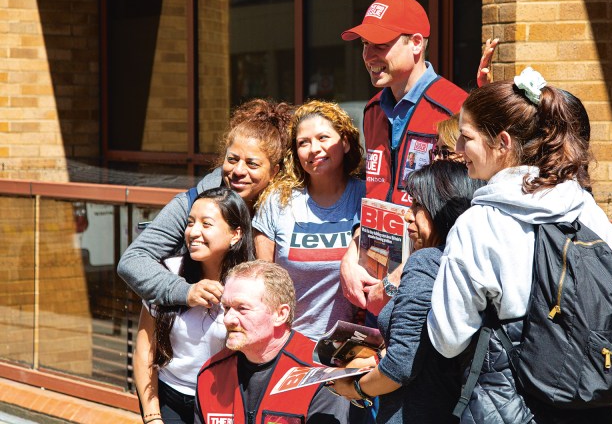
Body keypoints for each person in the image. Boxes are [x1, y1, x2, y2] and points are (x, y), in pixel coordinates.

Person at [427, 69, 612, 422]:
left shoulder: (477, 225)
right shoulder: (583, 208)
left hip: (511, 406)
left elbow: (449, 337)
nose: (457, 150)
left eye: (465, 138)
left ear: (502, 143)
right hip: (591, 407)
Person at [338, 0, 470, 312]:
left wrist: (400, 279)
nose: (368, 55)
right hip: (375, 283)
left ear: (415, 43)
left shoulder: (456, 109)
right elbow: (375, 195)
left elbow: (463, 217)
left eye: (380, 44)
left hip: (427, 289)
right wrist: (350, 255)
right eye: (364, 45)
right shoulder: (373, 112)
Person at [331, 161, 485, 423]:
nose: (407, 216)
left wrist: (354, 389)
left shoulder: (426, 261)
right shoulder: (473, 260)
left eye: (417, 206)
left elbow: (400, 366)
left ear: (441, 207)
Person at [118, 99, 292, 310]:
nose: (238, 171)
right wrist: (185, 291)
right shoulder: (191, 204)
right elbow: (133, 260)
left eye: (252, 163)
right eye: (232, 159)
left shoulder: (287, 211)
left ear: (274, 172)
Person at [134, 187, 255, 424]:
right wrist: (152, 416)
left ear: (235, 234)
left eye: (206, 224)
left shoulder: (251, 284)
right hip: (170, 397)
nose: (194, 232)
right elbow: (144, 349)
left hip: (224, 399)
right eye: (190, 223)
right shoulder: (166, 273)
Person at [194, 260, 363, 424]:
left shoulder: (320, 375)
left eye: (242, 308)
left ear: (280, 314)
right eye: (226, 308)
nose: (228, 319)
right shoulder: (210, 374)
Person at [253, 100, 366, 340]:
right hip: (288, 343)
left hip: (350, 348)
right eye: (304, 142)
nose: (314, 149)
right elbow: (265, 283)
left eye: (323, 138)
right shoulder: (277, 201)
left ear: (345, 143)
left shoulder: (365, 197)